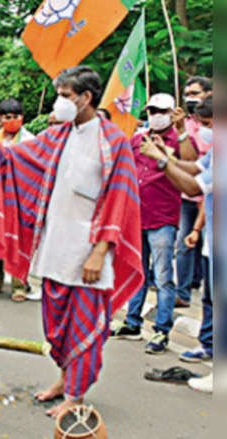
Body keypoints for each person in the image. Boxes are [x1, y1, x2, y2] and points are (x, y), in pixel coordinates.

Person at [0, 66, 143, 417]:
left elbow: (120, 201)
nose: (59, 102)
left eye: (65, 95)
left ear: (85, 97)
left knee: (84, 324)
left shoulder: (113, 141)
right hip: (55, 248)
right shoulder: (56, 136)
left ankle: (75, 396)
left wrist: (100, 251)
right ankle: (64, 381)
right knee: (56, 324)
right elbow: (10, 160)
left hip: (91, 252)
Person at [139, 97, 215, 392]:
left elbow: (193, 186)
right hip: (212, 237)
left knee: (165, 277)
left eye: (209, 125)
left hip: (168, 219)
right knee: (212, 300)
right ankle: (211, 351)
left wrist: (161, 160)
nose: (206, 131)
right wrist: (164, 156)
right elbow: (195, 168)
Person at [110, 94, 195, 354]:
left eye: (161, 110)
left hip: (163, 217)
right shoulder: (138, 139)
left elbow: (191, 165)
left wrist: (181, 130)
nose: (155, 114)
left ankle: (161, 331)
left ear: (172, 112)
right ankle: (133, 323)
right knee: (138, 272)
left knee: (163, 277)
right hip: (137, 216)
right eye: (151, 110)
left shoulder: (178, 140)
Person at [0, 98, 36, 301]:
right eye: (7, 117)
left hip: (21, 197)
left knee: (19, 242)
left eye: (15, 117)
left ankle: (19, 286)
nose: (11, 121)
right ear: (0, 119)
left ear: (22, 118)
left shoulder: (30, 139)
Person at [175, 77, 213, 307]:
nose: (190, 97)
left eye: (196, 93)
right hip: (194, 197)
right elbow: (190, 161)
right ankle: (184, 292)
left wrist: (163, 161)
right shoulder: (187, 123)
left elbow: (196, 177)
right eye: (187, 93)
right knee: (186, 243)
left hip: (207, 195)